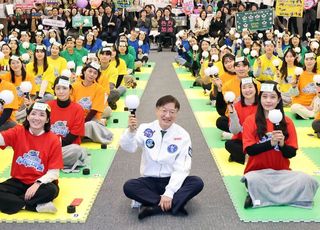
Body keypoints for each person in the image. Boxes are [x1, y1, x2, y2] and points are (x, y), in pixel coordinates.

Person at [121, 95, 204, 219]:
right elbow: (129, 147)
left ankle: (154, 206)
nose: (167, 115)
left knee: (197, 182)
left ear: (177, 113)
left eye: (172, 112)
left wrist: (169, 192)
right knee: (129, 186)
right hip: (150, 180)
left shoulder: (183, 135)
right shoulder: (145, 129)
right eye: (164, 111)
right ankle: (174, 204)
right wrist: (131, 132)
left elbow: (182, 167)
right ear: (157, 110)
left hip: (171, 179)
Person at [241, 81, 319, 209]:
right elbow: (250, 150)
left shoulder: (287, 122)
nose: (268, 100)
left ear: (278, 100)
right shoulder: (250, 121)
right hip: (258, 173)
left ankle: (259, 197)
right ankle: (284, 197)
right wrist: (270, 143)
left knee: (307, 180)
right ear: (259, 99)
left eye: (272, 97)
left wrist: (282, 144)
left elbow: (291, 153)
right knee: (252, 180)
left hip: (282, 174)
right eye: (264, 96)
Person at [0, 102, 63, 214]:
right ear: (28, 117)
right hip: (19, 181)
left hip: (42, 184)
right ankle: (32, 206)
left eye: (42, 115)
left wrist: (37, 183)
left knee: (51, 191)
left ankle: (11, 201)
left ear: (47, 119)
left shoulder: (54, 139)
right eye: (33, 114)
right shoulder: (18, 131)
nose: (37, 118)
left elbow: (54, 172)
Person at [48, 76, 88, 169]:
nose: (61, 91)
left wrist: (54, 147)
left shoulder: (78, 109)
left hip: (66, 147)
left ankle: (46, 160)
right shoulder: (48, 106)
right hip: (47, 146)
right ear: (54, 90)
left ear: (70, 90)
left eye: (64, 88)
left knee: (76, 151)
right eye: (58, 88)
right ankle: (50, 160)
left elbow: (72, 136)